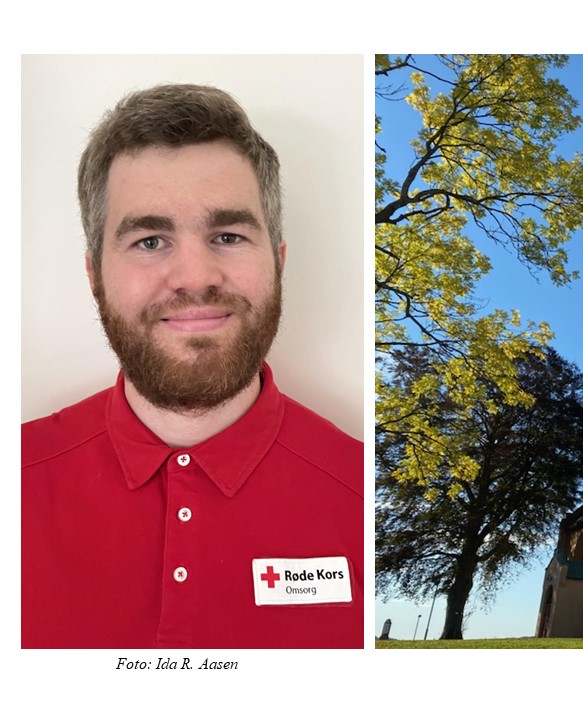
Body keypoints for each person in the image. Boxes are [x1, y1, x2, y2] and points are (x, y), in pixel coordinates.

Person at [21, 84, 363, 649]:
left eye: (228, 235)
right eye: (150, 239)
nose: (195, 275)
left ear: (277, 262)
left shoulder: (359, 491)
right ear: (94, 274)